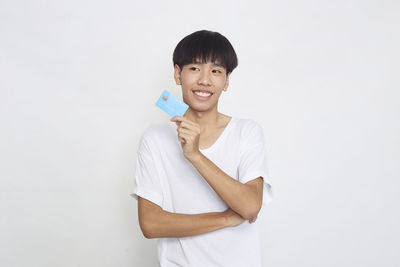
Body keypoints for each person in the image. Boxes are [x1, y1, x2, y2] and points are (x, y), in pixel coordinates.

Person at [131, 29, 273, 267]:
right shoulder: (154, 139)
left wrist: (195, 156)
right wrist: (226, 218)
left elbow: (250, 206)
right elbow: (150, 224)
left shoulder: (246, 132)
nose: (205, 80)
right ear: (178, 74)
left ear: (226, 81)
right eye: (195, 68)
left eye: (216, 71)